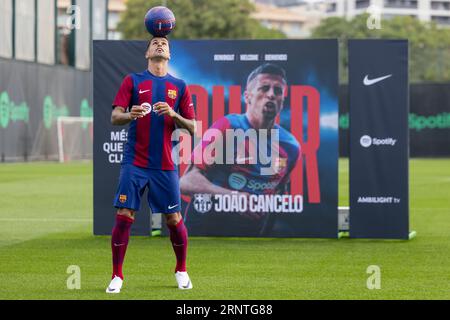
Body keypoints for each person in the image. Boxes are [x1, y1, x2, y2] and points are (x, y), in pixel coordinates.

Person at [106, 36, 196, 293]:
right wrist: (129, 114)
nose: (160, 45)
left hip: (165, 164)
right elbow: (115, 117)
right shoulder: (132, 80)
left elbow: (193, 127)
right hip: (134, 162)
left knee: (173, 218)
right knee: (125, 214)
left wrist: (174, 113)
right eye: (155, 43)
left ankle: (181, 270)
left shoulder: (179, 86)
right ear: (147, 53)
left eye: (165, 44)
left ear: (169, 55)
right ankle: (117, 275)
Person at [180, 63, 300, 237]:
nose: (271, 94)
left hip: (250, 234)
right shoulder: (228, 127)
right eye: (264, 88)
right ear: (247, 96)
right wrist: (234, 197)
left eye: (278, 91)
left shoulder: (291, 147)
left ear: (282, 102)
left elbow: (279, 193)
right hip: (206, 227)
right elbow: (185, 182)